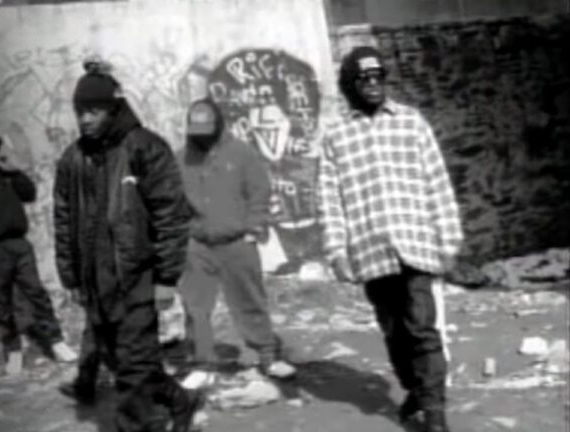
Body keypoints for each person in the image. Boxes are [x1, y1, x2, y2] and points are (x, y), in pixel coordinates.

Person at [318, 46, 464, 432]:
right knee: (395, 333)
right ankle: (415, 387)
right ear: (349, 85)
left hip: (416, 245)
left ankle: (435, 413)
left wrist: (449, 240)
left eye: (378, 76)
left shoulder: (412, 123)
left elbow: (437, 183)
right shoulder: (336, 136)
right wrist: (336, 251)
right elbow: (330, 199)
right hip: (370, 252)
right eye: (363, 79)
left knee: (423, 329)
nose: (372, 84)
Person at [53, 59, 203, 432]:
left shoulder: (145, 148)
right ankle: (180, 400)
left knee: (133, 370)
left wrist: (166, 278)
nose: (85, 119)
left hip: (137, 278)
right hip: (96, 283)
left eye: (94, 111)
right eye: (80, 112)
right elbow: (64, 219)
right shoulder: (73, 158)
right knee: (125, 362)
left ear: (113, 109)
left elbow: (171, 215)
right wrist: (71, 277)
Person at [177, 98, 297, 384]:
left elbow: (259, 191)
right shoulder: (180, 158)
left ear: (218, 124)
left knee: (250, 301)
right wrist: (182, 234)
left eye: (207, 127)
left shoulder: (242, 153)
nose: (202, 134)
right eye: (196, 128)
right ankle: (202, 364)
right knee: (195, 307)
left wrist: (254, 227)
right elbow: (171, 199)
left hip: (237, 242)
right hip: (197, 244)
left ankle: (267, 357)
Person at [0, 135, 76, 374]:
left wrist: (15, 172)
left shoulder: (6, 176)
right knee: (2, 300)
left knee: (37, 293)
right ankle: (13, 350)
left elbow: (29, 194)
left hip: (20, 244)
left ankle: (56, 342)